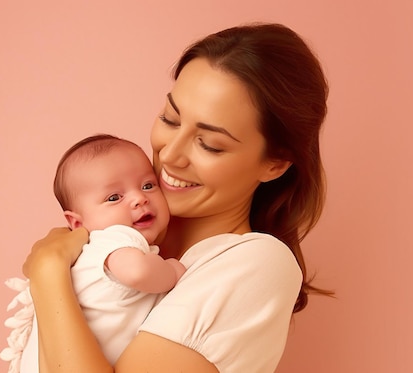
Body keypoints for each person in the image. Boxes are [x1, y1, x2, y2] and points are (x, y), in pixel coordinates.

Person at [22, 22, 330, 372]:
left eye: (209, 144)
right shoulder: (120, 232)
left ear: (274, 164)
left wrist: (48, 273)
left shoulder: (257, 264)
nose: (170, 155)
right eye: (170, 119)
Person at [1, 134, 186, 373]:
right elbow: (137, 272)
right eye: (114, 198)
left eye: (148, 186)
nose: (139, 199)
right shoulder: (113, 239)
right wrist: (172, 270)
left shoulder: (85, 255)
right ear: (76, 222)